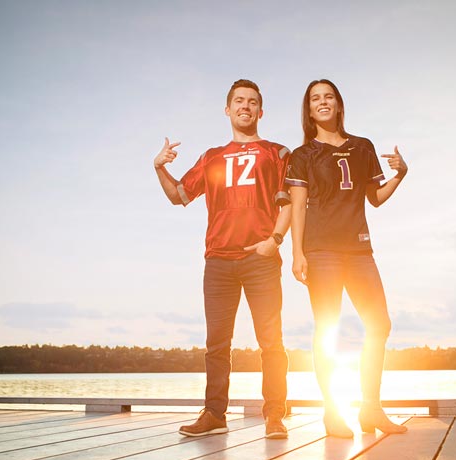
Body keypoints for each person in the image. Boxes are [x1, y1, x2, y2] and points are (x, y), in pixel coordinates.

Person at [153, 79, 291, 439]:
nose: (245, 106)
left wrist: (274, 241)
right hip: (218, 261)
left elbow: (290, 202)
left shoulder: (277, 152)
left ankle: (275, 415)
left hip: (260, 260)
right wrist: (158, 167)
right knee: (217, 344)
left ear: (261, 111)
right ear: (227, 109)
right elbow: (178, 195)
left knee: (271, 341)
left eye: (252, 102)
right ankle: (214, 414)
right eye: (238, 101)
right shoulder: (211, 156)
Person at [286, 79, 408, 438]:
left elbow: (376, 197)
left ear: (339, 105)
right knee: (327, 330)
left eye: (329, 97)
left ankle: (371, 409)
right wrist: (297, 253)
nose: (323, 102)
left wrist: (401, 174)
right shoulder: (302, 155)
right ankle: (332, 412)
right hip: (320, 250)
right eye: (315, 99)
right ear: (309, 111)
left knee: (380, 325)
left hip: (358, 249)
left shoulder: (362, 147)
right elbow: (297, 208)